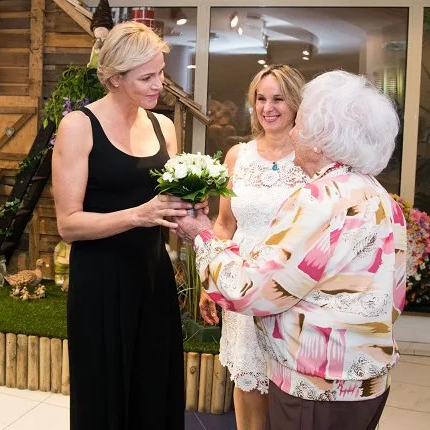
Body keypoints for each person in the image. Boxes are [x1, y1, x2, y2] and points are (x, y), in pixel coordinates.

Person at [175, 70, 406, 430]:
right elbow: (394, 292)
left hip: (316, 386)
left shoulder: (319, 199)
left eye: (303, 123)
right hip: (366, 380)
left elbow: (251, 291)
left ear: (322, 139)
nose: (294, 130)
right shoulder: (378, 195)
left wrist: (201, 235)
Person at [53, 21, 196, 430]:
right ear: (115, 79)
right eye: (147, 77)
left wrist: (189, 205)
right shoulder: (79, 127)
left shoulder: (162, 126)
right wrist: (139, 214)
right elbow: (68, 224)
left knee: (155, 388)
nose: (159, 85)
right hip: (100, 282)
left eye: (161, 73)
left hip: (153, 276)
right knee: (105, 394)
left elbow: (168, 205)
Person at [200, 64, 308, 430]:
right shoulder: (237, 156)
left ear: (296, 102)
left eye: (278, 98)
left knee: (288, 384)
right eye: (261, 98)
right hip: (241, 281)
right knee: (246, 377)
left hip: (292, 284)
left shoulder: (312, 157)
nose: (268, 107)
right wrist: (210, 279)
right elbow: (225, 223)